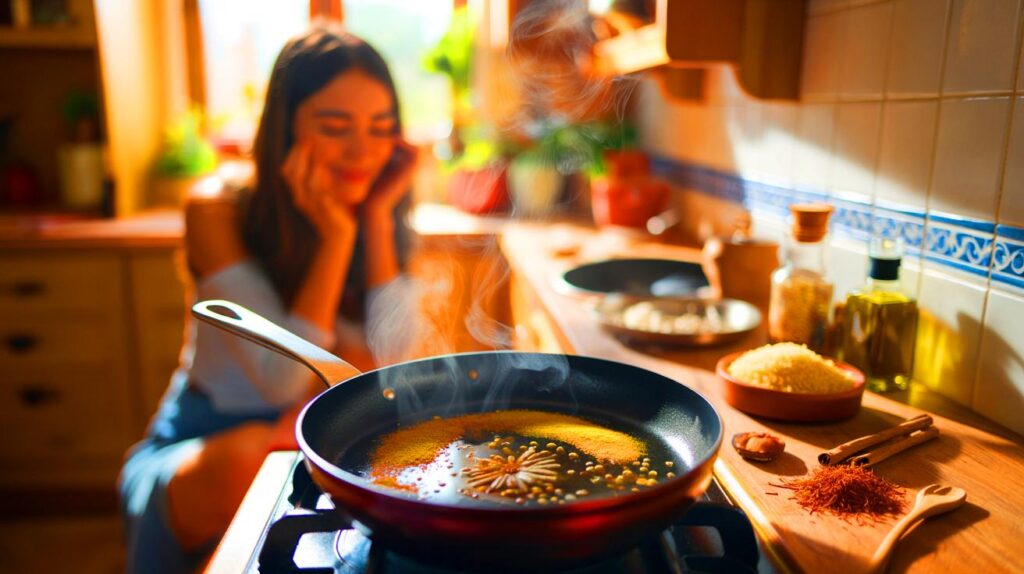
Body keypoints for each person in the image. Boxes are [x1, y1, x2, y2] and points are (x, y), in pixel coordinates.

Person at [119, 24, 417, 574]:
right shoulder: (216, 207)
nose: (363, 151)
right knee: (267, 452)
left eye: (381, 129)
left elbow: (396, 364)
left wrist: (373, 222)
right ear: (284, 131)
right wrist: (334, 239)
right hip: (202, 451)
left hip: (311, 445)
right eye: (334, 126)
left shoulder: (381, 214)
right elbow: (280, 379)